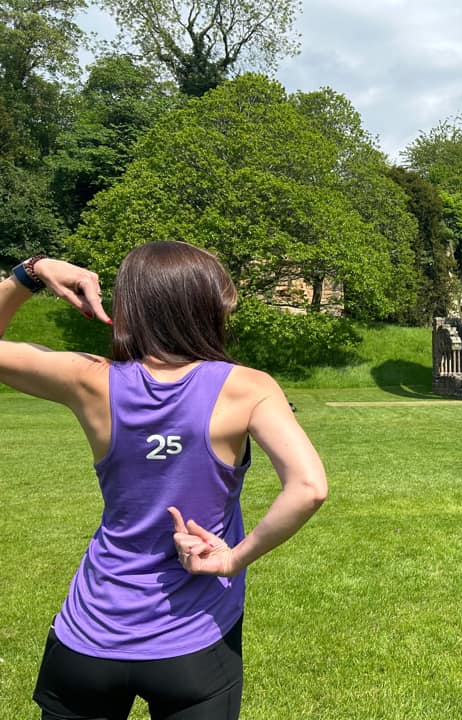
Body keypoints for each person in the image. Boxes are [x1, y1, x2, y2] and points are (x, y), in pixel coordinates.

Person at [0, 243, 328, 719]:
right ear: (211, 306)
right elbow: (309, 487)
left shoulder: (89, 379)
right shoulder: (249, 387)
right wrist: (233, 558)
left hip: (91, 638)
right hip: (195, 643)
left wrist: (32, 273)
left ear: (131, 304)